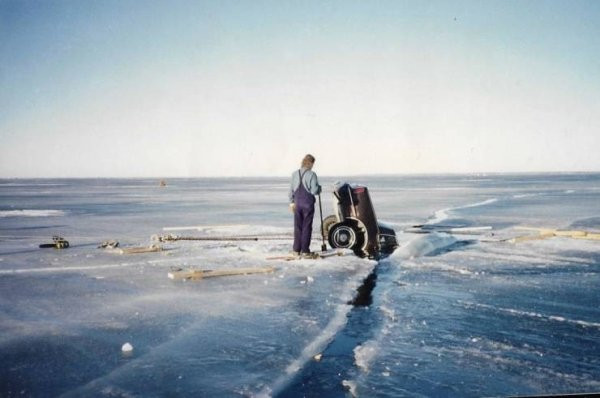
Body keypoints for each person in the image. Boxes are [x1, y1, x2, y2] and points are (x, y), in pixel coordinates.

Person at [289, 154, 322, 257]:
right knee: (307, 226)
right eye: (313, 163)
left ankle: (296, 250)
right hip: (307, 204)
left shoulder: (294, 174)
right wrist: (319, 188)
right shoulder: (312, 174)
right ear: (310, 163)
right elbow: (314, 190)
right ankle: (305, 250)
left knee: (298, 226)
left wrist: (291, 202)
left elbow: (291, 191)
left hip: (297, 204)